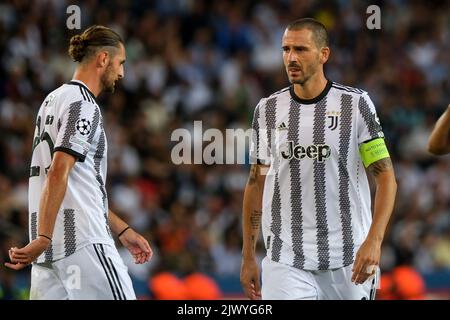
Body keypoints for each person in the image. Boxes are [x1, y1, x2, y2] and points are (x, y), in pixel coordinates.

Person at [240, 18, 397, 300]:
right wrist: (248, 255)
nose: (291, 58)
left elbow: (386, 178)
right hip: (285, 260)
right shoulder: (267, 110)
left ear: (324, 54)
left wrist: (375, 240)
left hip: (348, 258)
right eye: (286, 49)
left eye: (301, 49)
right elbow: (255, 183)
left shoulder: (355, 105)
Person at [4, 25, 153, 300]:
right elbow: (59, 170)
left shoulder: (51, 100)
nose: (122, 73)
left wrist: (122, 229)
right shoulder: (84, 104)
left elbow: (75, 184)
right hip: (82, 242)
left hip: (50, 255)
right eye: (121, 63)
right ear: (103, 59)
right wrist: (44, 237)